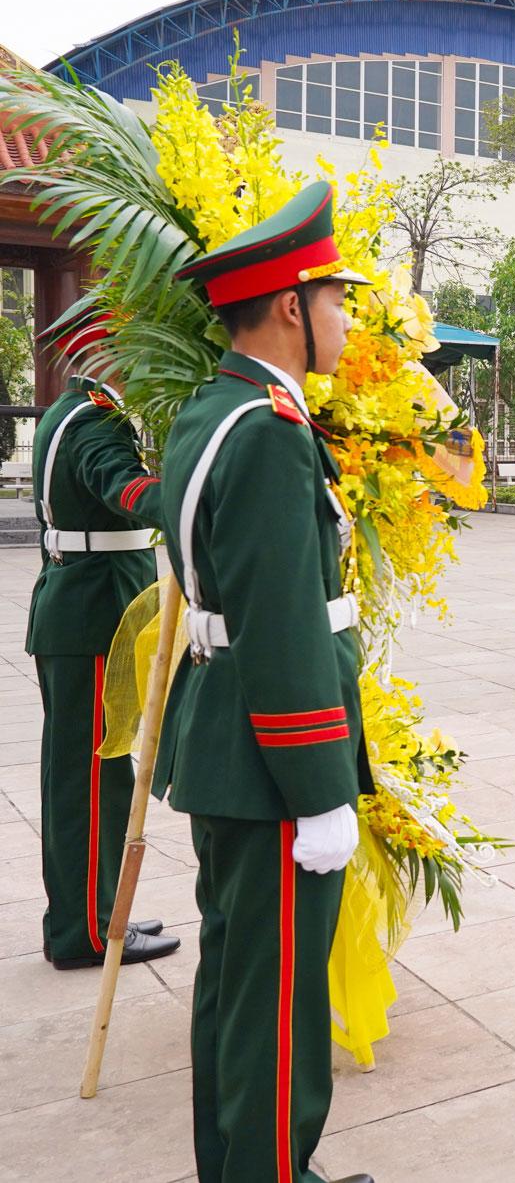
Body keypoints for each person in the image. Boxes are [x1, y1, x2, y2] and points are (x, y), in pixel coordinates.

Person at [153, 181, 374, 1183]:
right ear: (291, 304)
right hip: (272, 763)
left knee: (240, 982)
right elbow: (285, 628)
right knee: (277, 994)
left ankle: (245, 1164)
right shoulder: (270, 435)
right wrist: (322, 793)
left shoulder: (216, 411)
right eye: (338, 301)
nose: (346, 320)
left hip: (227, 747)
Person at [26, 306, 180, 970]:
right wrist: (198, 491)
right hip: (94, 615)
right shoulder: (93, 419)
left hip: (82, 609)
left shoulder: (69, 409)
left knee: (82, 777)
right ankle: (87, 932)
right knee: (92, 783)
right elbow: (126, 488)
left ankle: (88, 912)